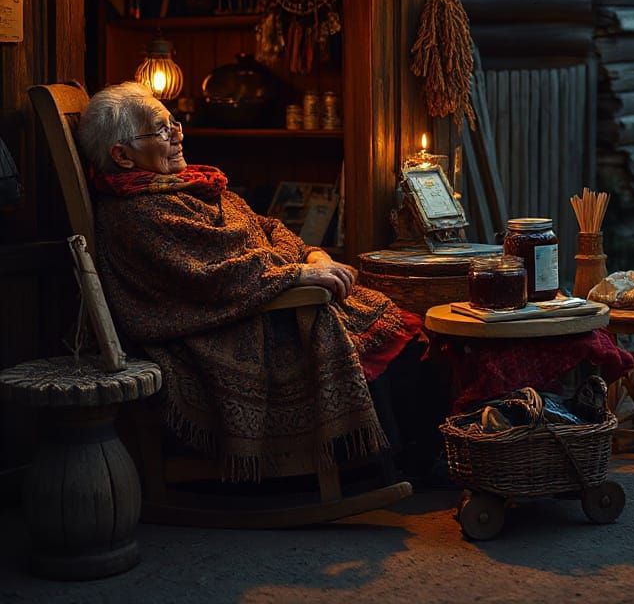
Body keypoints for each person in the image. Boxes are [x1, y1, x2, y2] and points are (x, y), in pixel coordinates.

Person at [77, 82, 421, 482]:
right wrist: (298, 274)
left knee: (403, 329)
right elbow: (212, 275)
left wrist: (311, 254)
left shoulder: (189, 184)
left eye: (175, 124)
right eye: (161, 130)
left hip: (272, 298)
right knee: (371, 341)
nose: (177, 135)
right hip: (218, 331)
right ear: (121, 156)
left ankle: (411, 457)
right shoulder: (137, 214)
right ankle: (377, 466)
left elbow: (266, 226)